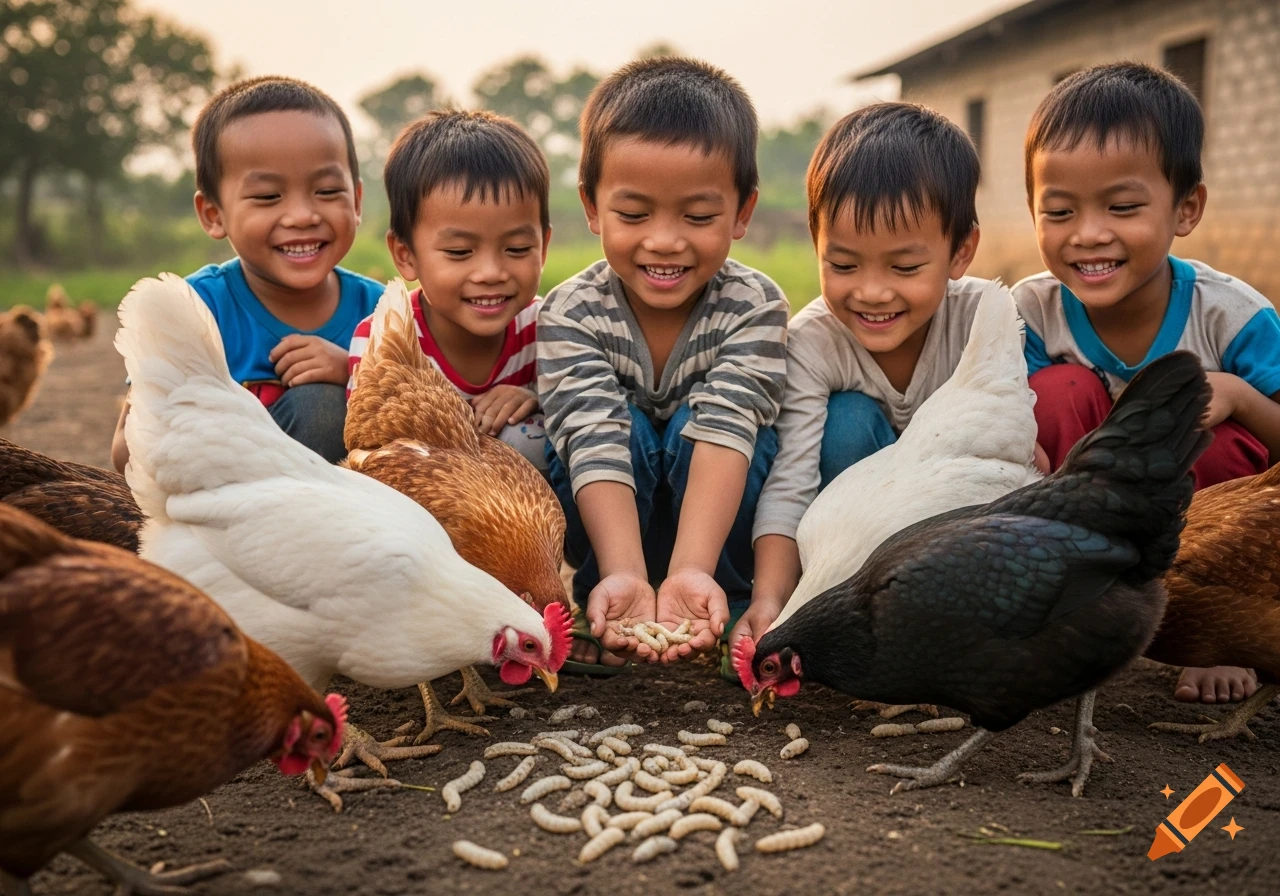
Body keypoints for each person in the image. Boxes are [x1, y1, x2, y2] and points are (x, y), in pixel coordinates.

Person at [1016, 61, 1280, 705]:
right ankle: (1068, 602)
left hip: (1202, 545)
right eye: (1059, 210)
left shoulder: (1233, 315)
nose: (1089, 233)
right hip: (1079, 517)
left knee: (1211, 437)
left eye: (1123, 207)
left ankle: (1204, 632)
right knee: (1050, 395)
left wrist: (1241, 397)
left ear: (1186, 208)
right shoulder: (1029, 312)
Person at [538, 56, 788, 670]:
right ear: (593, 208)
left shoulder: (755, 305)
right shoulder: (569, 312)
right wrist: (624, 569)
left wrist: (691, 568)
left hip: (711, 522)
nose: (665, 240)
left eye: (699, 217)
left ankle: (718, 597)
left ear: (742, 212)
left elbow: (729, 426)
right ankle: (612, 592)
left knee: (707, 427)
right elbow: (591, 435)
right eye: (633, 214)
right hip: (610, 514)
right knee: (598, 432)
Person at [736, 102, 992, 652]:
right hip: (856, 547)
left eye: (904, 268)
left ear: (961, 251)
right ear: (816, 244)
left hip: (961, 537)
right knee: (847, 424)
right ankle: (857, 617)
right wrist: (770, 602)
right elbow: (792, 481)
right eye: (844, 265)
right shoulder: (813, 341)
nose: (872, 292)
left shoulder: (984, 322)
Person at [111, 75, 382, 471]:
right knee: (319, 406)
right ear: (213, 214)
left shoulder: (381, 313)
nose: (303, 215)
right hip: (225, 509)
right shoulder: (195, 311)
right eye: (268, 197)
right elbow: (124, 452)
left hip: (359, 519)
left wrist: (355, 370)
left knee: (333, 405)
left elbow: (434, 422)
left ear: (356, 200)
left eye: (326, 191)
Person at [347, 110, 551, 471]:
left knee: (529, 438)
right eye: (460, 253)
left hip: (528, 512)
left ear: (544, 247)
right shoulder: (386, 339)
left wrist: (536, 398)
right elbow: (371, 451)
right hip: (425, 505)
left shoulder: (549, 328)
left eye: (517, 249)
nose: (491, 273)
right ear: (405, 255)